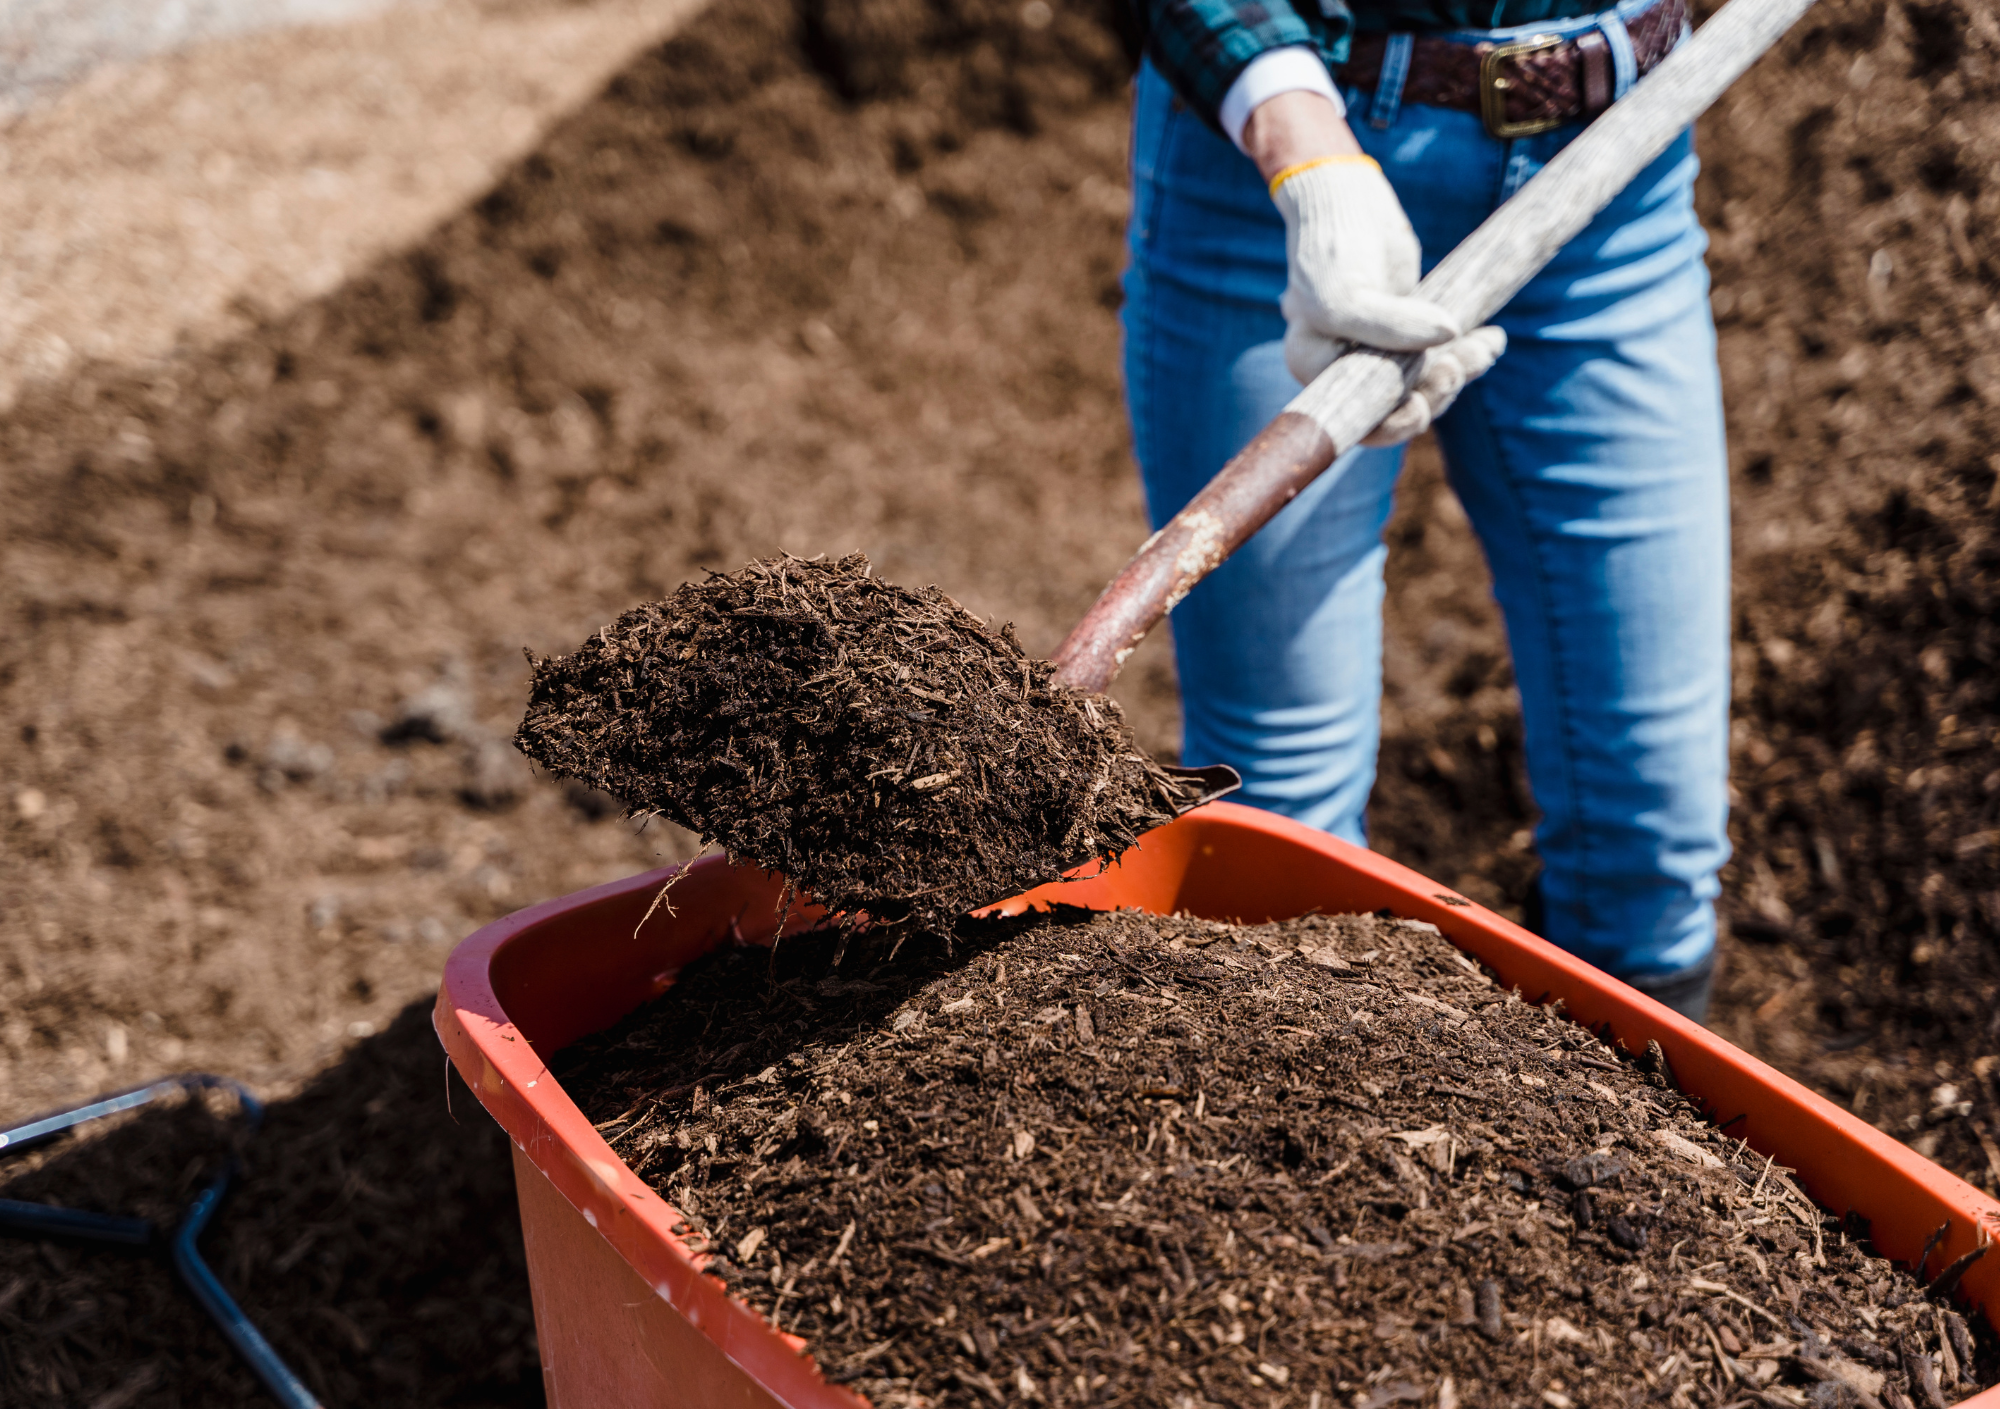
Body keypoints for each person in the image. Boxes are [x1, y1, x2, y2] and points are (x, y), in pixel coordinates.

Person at [1121, 0, 1727, 1019]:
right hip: (1283, 168)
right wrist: (1305, 152)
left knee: (1652, 840)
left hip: (1615, 164)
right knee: (1282, 819)